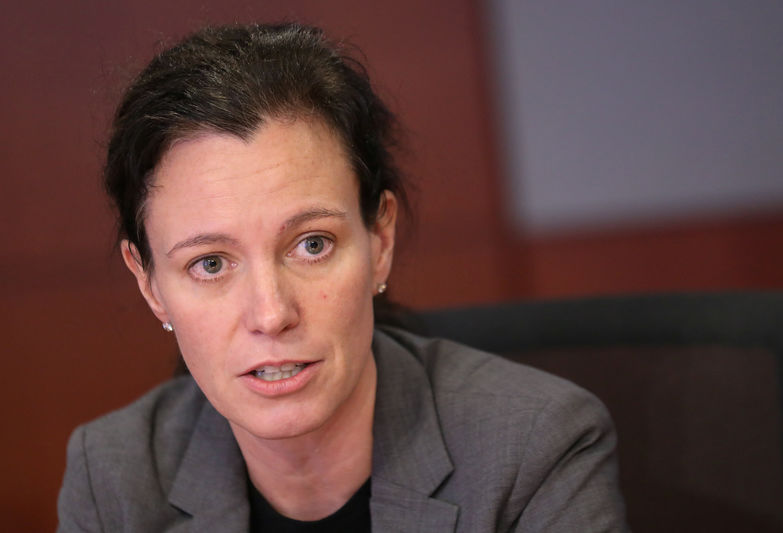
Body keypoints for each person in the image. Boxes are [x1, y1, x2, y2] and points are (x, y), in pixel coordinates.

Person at [57, 23, 628, 532]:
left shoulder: (533, 448)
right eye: (210, 263)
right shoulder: (116, 479)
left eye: (311, 245)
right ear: (151, 284)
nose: (272, 313)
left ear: (379, 240)